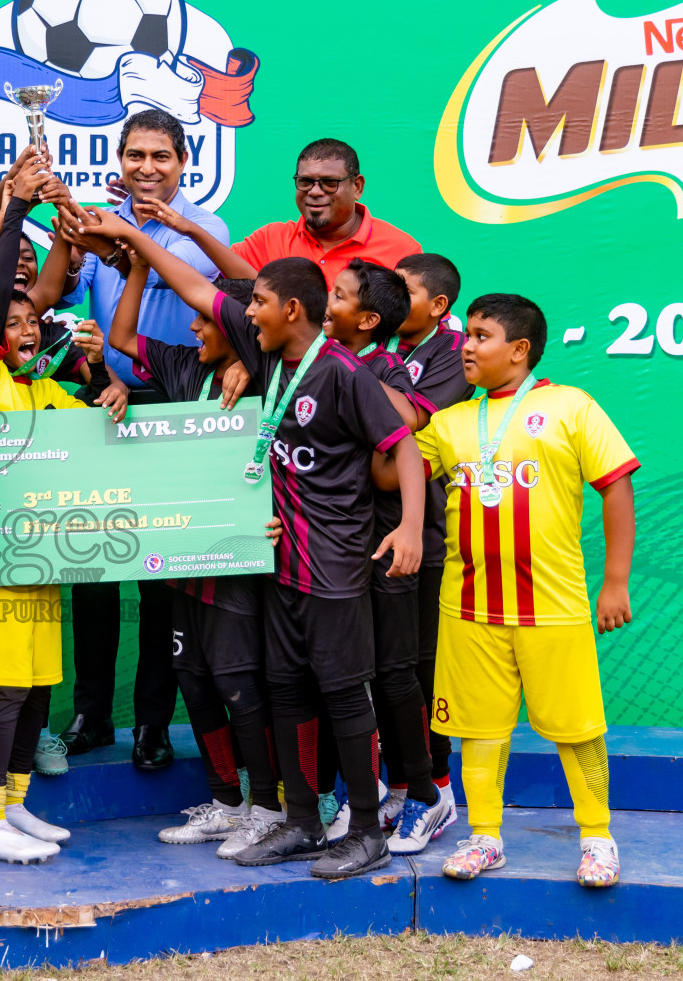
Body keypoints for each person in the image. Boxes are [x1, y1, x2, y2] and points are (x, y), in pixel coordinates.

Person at [81, 214, 427, 879]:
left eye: (261, 302)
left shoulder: (345, 375)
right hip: (270, 560)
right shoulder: (266, 355)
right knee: (286, 691)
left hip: (330, 565)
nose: (249, 313)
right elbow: (197, 291)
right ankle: (298, 822)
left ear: (291, 309)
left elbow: (402, 447)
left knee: (343, 694)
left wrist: (409, 527)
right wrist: (140, 240)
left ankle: (363, 831)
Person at [418, 294, 636, 889]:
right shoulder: (451, 421)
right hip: (467, 607)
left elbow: (615, 487)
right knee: (479, 729)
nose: (466, 345)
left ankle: (597, 838)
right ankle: (484, 836)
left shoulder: (571, 406)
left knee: (576, 727)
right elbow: (395, 472)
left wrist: (614, 582)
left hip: (553, 605)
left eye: (481, 336)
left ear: (519, 350)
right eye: (466, 334)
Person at [56, 108, 232, 770]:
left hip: (176, 407)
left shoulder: (202, 232)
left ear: (184, 163)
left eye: (161, 156)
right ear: (120, 159)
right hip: (104, 401)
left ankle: (153, 724)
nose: (148, 168)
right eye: (136, 155)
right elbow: (71, 307)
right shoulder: (100, 224)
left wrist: (120, 234)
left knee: (163, 579)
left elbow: (198, 319)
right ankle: (91, 715)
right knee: (90, 571)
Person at [104, 245, 282, 856]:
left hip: (238, 563)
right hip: (180, 562)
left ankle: (267, 807)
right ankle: (227, 803)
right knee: (194, 679)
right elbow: (122, 337)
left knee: (238, 684)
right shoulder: (186, 368)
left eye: (205, 319)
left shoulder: (266, 369)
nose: (192, 326)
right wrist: (134, 269)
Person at [0, 161, 102, 864]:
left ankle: (14, 802)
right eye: (10, 321)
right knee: (6, 691)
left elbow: (95, 427)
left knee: (41, 684)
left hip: (44, 571)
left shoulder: (42, 390)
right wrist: (13, 209)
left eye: (33, 321)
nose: (26, 329)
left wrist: (108, 390)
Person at [321, 260, 445, 849]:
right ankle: (375, 796)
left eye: (339, 295)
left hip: (387, 542)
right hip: (339, 545)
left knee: (397, 673)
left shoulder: (383, 372)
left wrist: (411, 528)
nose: (327, 301)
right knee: (357, 679)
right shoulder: (319, 363)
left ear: (369, 321)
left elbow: (399, 454)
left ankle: (423, 794)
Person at [384, 253, 471, 850]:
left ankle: (434, 791)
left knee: (418, 672)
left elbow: (409, 418)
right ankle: (398, 788)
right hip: (367, 532)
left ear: (437, 306)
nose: (389, 299)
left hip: (426, 539)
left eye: (402, 290)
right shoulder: (381, 346)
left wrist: (342, 365)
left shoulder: (454, 351)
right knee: (380, 674)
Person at [231, 138, 420, 285]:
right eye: (305, 182)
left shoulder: (401, 250)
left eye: (330, 183)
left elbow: (432, 330)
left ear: (357, 187)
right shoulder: (269, 240)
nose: (314, 191)